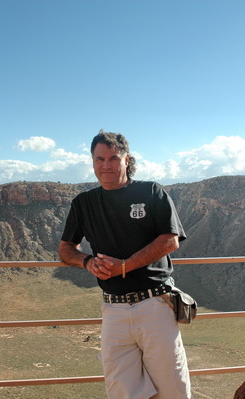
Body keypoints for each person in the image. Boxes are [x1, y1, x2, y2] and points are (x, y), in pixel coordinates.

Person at [58, 130, 192, 399]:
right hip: (113, 309)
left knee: (172, 389)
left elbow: (171, 240)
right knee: (122, 392)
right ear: (92, 161)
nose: (106, 165)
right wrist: (86, 262)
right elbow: (65, 249)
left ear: (126, 159)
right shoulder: (84, 203)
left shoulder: (151, 191)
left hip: (154, 304)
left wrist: (125, 266)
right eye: (99, 159)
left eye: (113, 158)